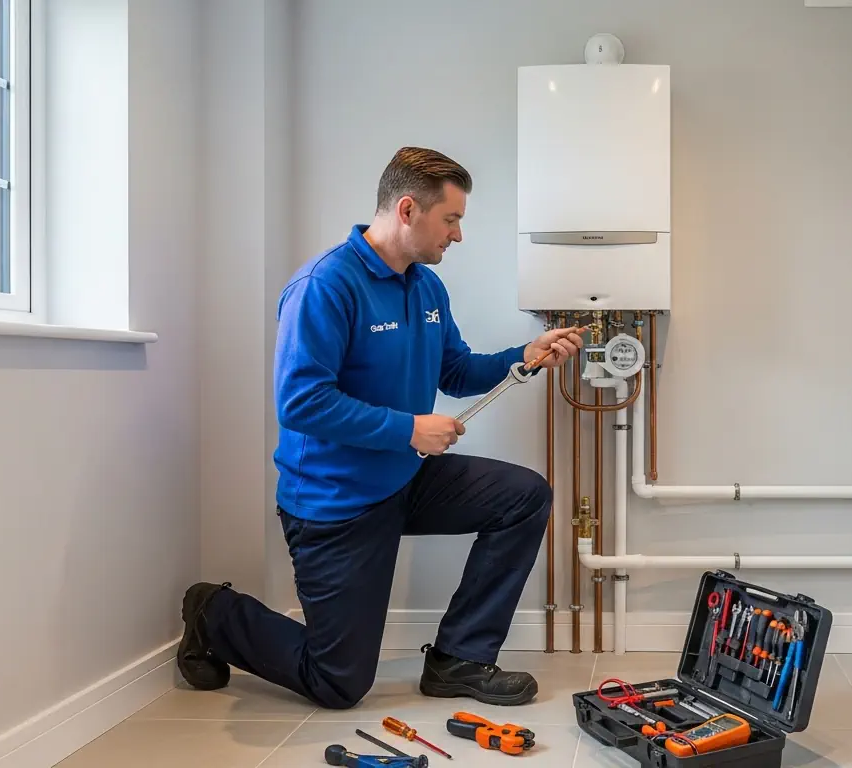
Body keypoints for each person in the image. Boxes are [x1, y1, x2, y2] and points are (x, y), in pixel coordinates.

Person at [174, 147, 584, 710]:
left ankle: (459, 658)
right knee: (337, 683)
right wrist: (409, 430)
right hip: (336, 500)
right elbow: (300, 403)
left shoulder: (425, 286)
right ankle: (212, 612)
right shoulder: (325, 285)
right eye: (452, 219)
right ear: (409, 210)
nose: (458, 236)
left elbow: (456, 370)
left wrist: (527, 354)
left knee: (524, 496)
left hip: (403, 479)